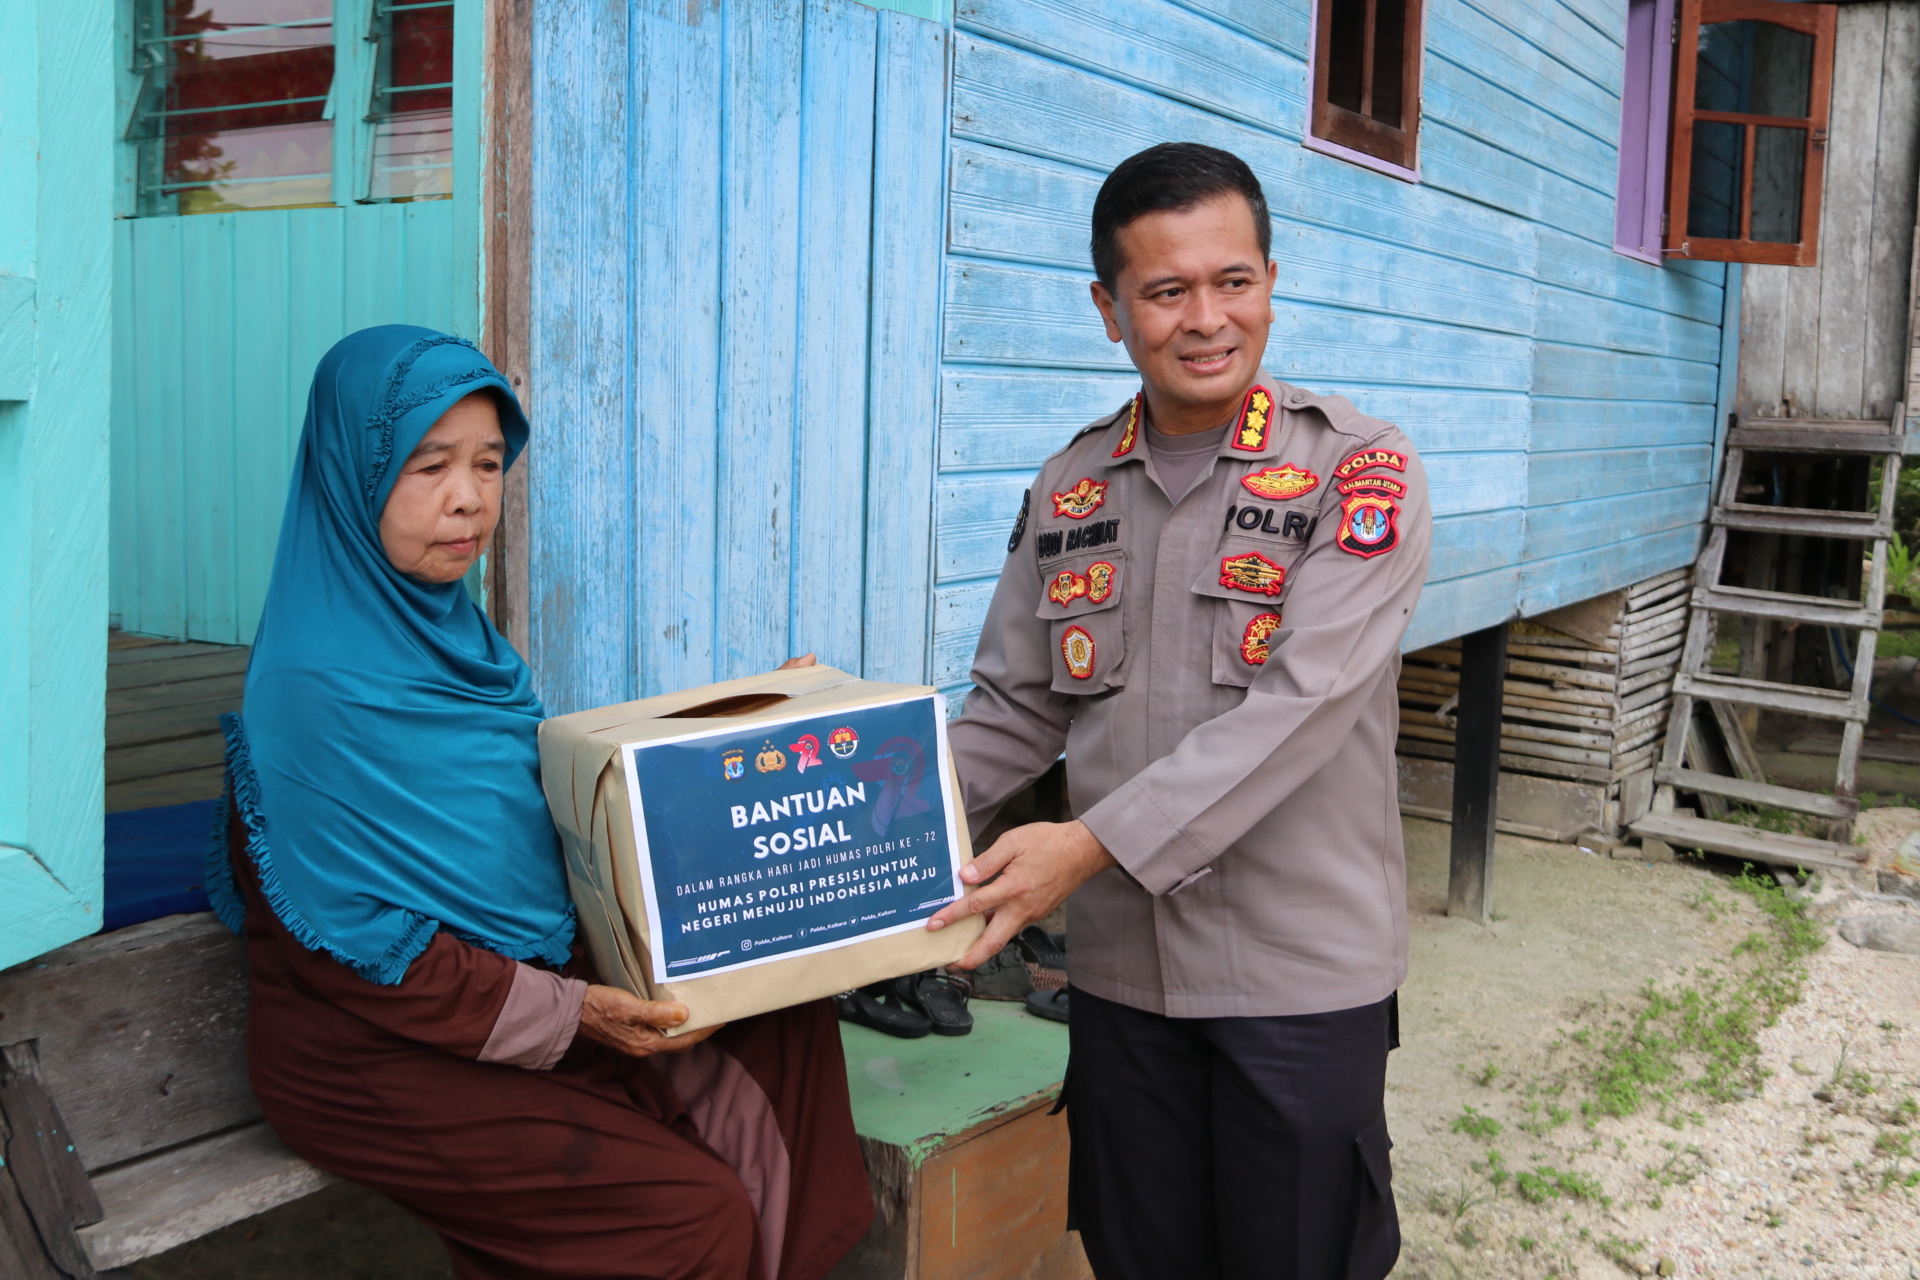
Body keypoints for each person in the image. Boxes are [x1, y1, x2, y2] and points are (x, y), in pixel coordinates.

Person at [206, 325, 873, 1280]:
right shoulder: (316, 690)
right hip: (377, 1051)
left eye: (488, 463)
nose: (470, 497)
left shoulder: (462, 649)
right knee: (681, 1221)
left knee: (774, 1013)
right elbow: (364, 959)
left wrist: (764, 736)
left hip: (510, 990)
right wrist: (578, 1014)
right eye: (428, 464)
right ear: (350, 475)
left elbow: (563, 815)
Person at [927, 143, 1431, 1279]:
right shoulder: (1071, 488)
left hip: (1297, 982)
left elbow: (1299, 708)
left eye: (1235, 281)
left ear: (1269, 278)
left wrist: (1086, 844)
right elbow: (1013, 708)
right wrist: (866, 832)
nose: (1208, 318)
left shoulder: (1360, 474)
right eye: (1166, 291)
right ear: (1110, 309)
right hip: (1123, 982)